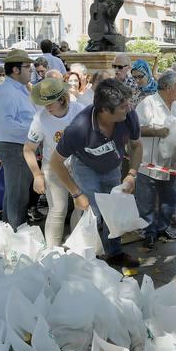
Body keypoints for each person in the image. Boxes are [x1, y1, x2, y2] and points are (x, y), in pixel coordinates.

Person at [49, 78, 142, 269]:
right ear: (105, 111)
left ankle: (115, 254)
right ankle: (88, 259)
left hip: (112, 167)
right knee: (93, 215)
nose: (129, 108)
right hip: (85, 168)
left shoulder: (129, 116)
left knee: (113, 212)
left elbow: (137, 145)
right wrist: (76, 193)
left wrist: (132, 174)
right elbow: (56, 162)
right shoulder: (78, 128)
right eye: (123, 106)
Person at [23, 79, 84, 247]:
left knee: (82, 207)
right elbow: (28, 149)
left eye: (50, 103)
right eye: (43, 103)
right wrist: (37, 175)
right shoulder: (40, 118)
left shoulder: (80, 111)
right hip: (53, 167)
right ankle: (52, 251)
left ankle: (78, 246)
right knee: (58, 209)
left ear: (62, 99)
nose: (46, 107)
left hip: (79, 166)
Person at [135, 69, 176, 247]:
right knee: (147, 201)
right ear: (167, 87)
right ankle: (148, 233)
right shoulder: (147, 104)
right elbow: (136, 129)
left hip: (170, 163)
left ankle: (162, 229)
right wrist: (157, 132)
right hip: (149, 162)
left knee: (169, 199)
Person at [0, 46, 35, 230]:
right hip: (14, 146)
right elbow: (6, 126)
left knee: (13, 192)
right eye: (27, 67)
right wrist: (35, 131)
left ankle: (11, 231)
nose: (30, 70)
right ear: (16, 70)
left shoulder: (17, 88)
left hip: (18, 144)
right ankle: (16, 232)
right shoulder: (6, 91)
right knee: (18, 194)